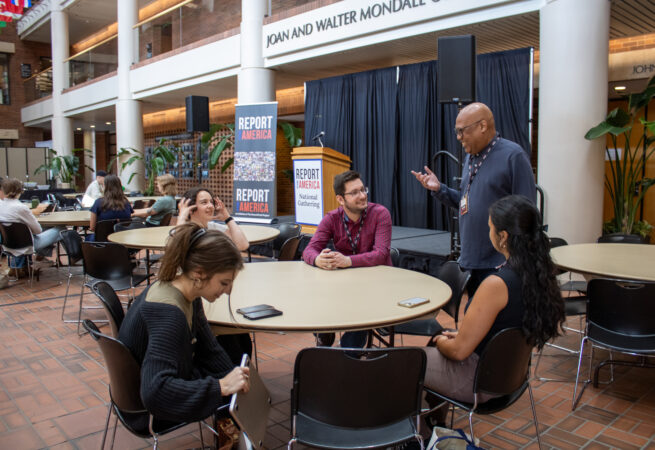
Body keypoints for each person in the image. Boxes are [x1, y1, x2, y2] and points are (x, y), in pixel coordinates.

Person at [423, 195, 564, 425]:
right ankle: (433, 425)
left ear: (503, 236)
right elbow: (502, 327)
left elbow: (458, 352)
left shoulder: (496, 285)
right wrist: (462, 336)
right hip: (510, 376)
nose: (488, 232)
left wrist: (441, 342)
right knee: (438, 343)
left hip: (479, 380)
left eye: (490, 227)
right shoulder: (538, 276)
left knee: (404, 363)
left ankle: (418, 434)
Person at [118, 222, 250, 424]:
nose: (228, 290)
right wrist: (222, 386)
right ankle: (232, 432)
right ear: (199, 273)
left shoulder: (185, 290)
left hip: (156, 382)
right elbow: (155, 393)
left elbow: (209, 348)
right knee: (233, 357)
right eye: (224, 282)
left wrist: (234, 378)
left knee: (235, 344)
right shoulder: (169, 313)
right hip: (145, 409)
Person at [412, 102, 536, 297]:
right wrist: (440, 189)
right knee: (476, 312)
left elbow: (526, 213)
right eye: (457, 132)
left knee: (492, 314)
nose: (459, 137)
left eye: (462, 131)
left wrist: (514, 262)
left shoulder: (513, 156)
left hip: (499, 264)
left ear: (482, 126)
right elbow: (467, 203)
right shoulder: (471, 158)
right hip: (472, 261)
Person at [302, 170, 392, 348]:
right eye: (355, 192)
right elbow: (309, 249)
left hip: (376, 285)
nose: (362, 196)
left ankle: (348, 355)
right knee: (316, 299)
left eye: (363, 190)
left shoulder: (380, 214)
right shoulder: (331, 218)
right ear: (340, 199)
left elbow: (381, 254)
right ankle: (325, 335)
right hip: (345, 286)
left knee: (358, 315)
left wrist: (348, 261)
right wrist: (318, 259)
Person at [0, 178, 63, 279]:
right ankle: (43, 255)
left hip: (7, 245)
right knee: (60, 229)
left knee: (45, 228)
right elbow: (38, 230)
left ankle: (29, 264)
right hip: (27, 245)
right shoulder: (21, 208)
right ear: (20, 191)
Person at [177, 187, 249, 251]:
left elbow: (242, 245)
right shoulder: (183, 230)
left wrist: (228, 218)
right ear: (190, 209)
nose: (211, 206)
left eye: (211, 202)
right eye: (204, 202)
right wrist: (182, 217)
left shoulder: (212, 227)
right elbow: (176, 251)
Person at [88, 174, 133, 240]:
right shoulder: (126, 203)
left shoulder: (98, 203)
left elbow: (92, 227)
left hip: (103, 242)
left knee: (86, 238)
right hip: (123, 242)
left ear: (105, 187)